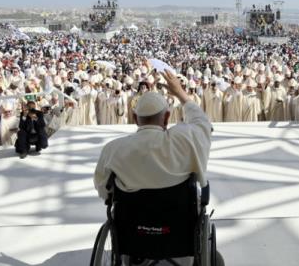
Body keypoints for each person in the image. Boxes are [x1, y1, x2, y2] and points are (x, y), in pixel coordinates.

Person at [93, 70, 223, 265]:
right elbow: (203, 123)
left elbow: (104, 189)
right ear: (167, 117)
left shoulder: (113, 149)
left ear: (135, 119)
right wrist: (180, 93)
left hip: (133, 232)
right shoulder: (185, 139)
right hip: (180, 230)